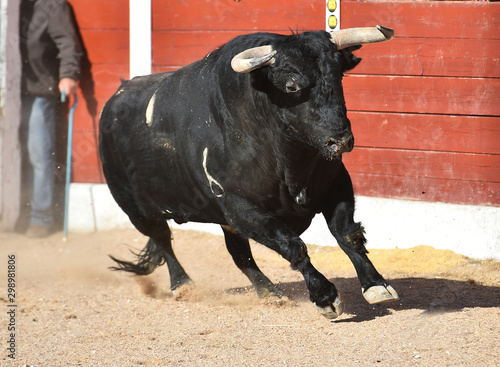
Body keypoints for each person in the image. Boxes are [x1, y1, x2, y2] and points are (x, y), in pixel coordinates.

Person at [20, 0, 82, 237]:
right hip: (8, 92)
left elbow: (67, 42)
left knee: (39, 154)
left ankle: (41, 217)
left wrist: (68, 73)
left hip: (37, 91)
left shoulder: (52, 4)